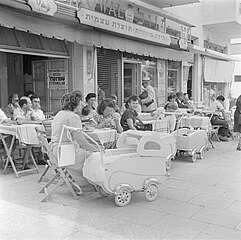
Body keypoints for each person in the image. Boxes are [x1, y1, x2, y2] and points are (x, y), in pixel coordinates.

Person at [51, 91, 99, 188]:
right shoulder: (73, 117)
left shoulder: (60, 114)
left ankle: (74, 180)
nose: (82, 105)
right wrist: (97, 149)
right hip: (66, 153)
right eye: (80, 103)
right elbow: (82, 142)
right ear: (76, 104)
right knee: (96, 157)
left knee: (90, 152)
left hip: (55, 150)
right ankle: (95, 183)